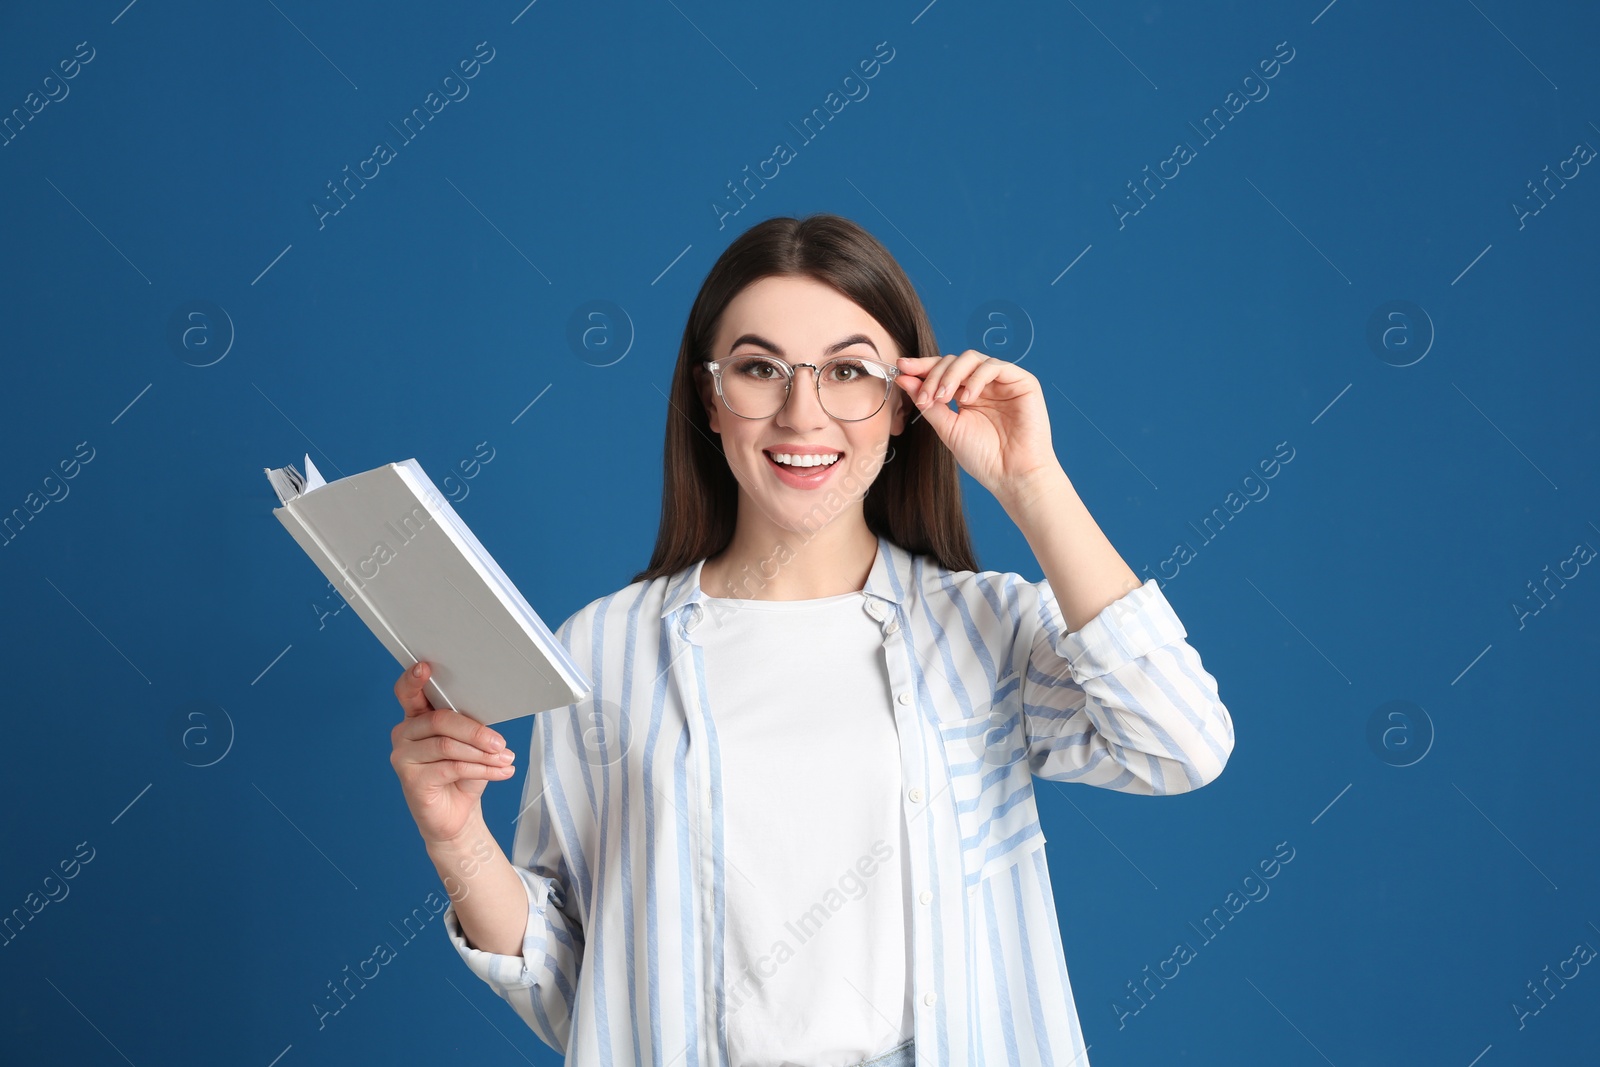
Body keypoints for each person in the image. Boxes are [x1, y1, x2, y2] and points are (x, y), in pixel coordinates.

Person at [388, 213, 1234, 1067]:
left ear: (903, 404)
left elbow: (1179, 744)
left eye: (849, 371)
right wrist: (456, 837)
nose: (804, 413)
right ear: (709, 398)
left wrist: (1031, 480)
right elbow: (577, 989)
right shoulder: (605, 647)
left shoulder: (983, 628)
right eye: (760, 369)